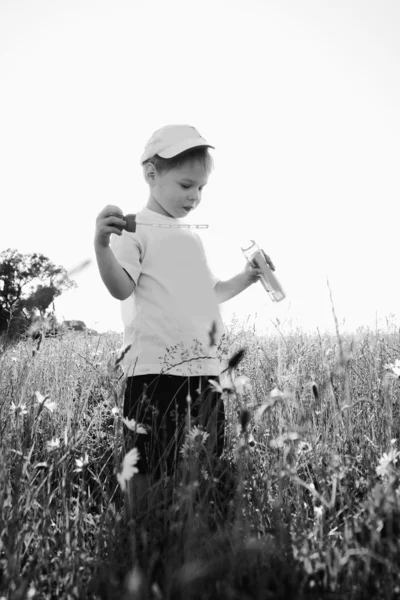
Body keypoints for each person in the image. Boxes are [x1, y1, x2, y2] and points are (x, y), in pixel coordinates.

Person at [94, 124, 273, 519]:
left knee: (204, 456)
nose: (194, 197)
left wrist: (246, 276)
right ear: (151, 174)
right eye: (186, 185)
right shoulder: (134, 229)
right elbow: (121, 288)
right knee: (147, 461)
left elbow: (210, 292)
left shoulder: (190, 237)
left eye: (201, 189)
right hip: (154, 371)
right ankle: (141, 532)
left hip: (204, 369)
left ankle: (192, 527)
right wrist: (101, 247)